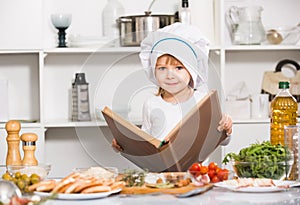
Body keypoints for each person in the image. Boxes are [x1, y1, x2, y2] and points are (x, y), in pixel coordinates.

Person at [112, 22, 232, 159]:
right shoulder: (151, 103)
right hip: (159, 177)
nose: (170, 75)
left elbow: (222, 140)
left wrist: (227, 129)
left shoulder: (203, 101)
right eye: (162, 68)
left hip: (196, 176)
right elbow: (145, 142)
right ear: (154, 71)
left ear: (192, 71)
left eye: (179, 68)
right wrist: (125, 146)